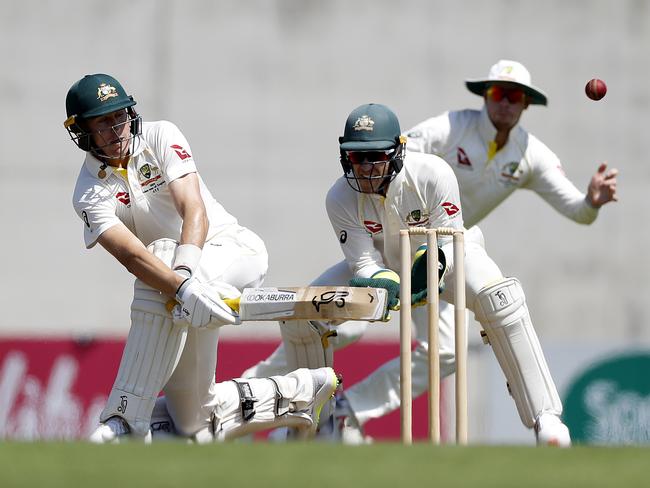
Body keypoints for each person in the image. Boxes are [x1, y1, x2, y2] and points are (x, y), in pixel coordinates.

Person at [244, 102, 572, 446]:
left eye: (376, 157)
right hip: (384, 263)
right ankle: (301, 417)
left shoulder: (433, 173)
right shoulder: (339, 197)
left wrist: (421, 274)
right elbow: (364, 266)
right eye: (358, 158)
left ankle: (545, 417)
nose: (367, 168)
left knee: (497, 302)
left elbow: (448, 243)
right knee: (305, 314)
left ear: (398, 151)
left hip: (449, 252)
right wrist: (391, 284)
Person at [65, 73, 339, 443]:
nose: (117, 130)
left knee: (162, 254)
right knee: (194, 421)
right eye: (102, 123)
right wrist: (183, 288)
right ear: (82, 132)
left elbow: (193, 208)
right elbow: (129, 255)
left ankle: (124, 417)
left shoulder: (161, 135)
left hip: (232, 251)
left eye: (120, 116)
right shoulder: (88, 191)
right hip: (176, 292)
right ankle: (301, 392)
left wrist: (184, 275)